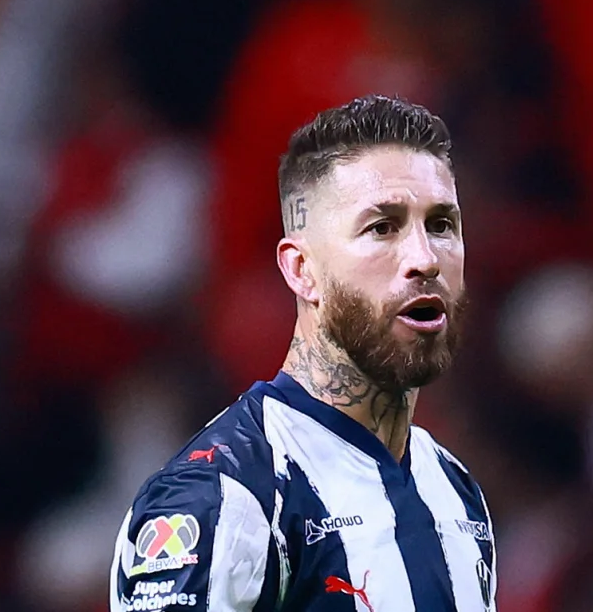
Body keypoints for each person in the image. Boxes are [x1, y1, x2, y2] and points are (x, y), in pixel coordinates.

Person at [110, 95, 496, 611]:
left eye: (441, 225)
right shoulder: (223, 495)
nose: (425, 259)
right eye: (383, 227)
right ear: (302, 270)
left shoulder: (453, 485)